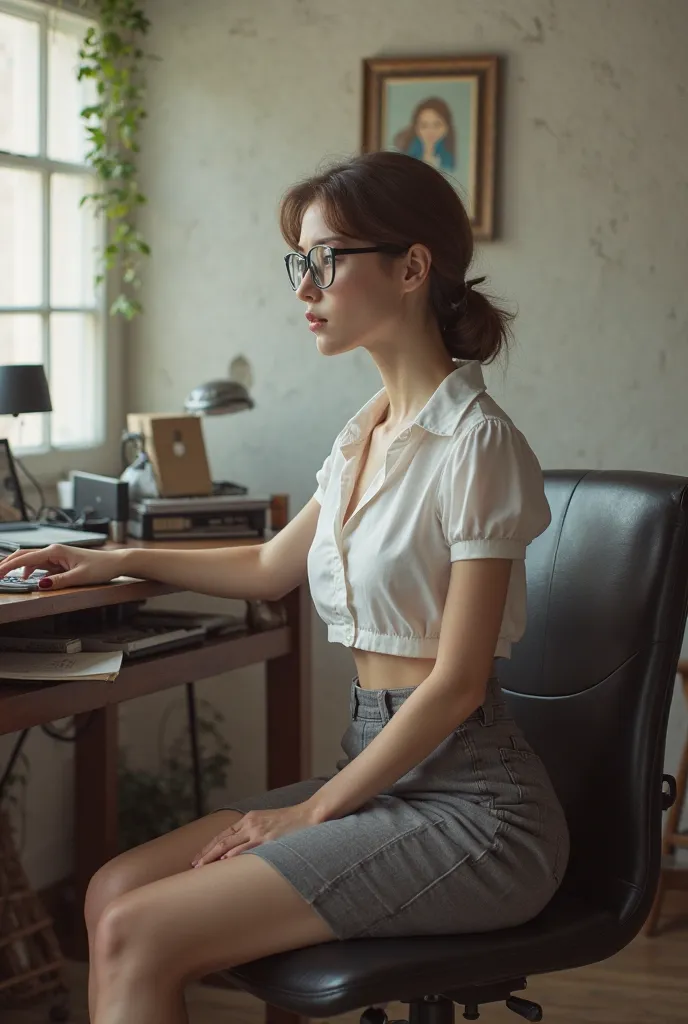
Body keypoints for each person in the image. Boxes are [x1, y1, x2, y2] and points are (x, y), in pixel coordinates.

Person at [0, 151, 570, 1024]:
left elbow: (455, 686)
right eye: (299, 262)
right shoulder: (365, 433)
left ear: (413, 268)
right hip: (382, 775)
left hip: (476, 810)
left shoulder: (476, 444)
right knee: (115, 888)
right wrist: (118, 557)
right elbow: (270, 565)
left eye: (326, 259)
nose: (305, 287)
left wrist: (312, 813)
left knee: (137, 931)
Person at [393, 97, 456, 171]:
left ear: (447, 127)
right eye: (424, 125)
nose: (430, 131)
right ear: (416, 128)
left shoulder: (448, 158)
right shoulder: (407, 154)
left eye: (437, 125)